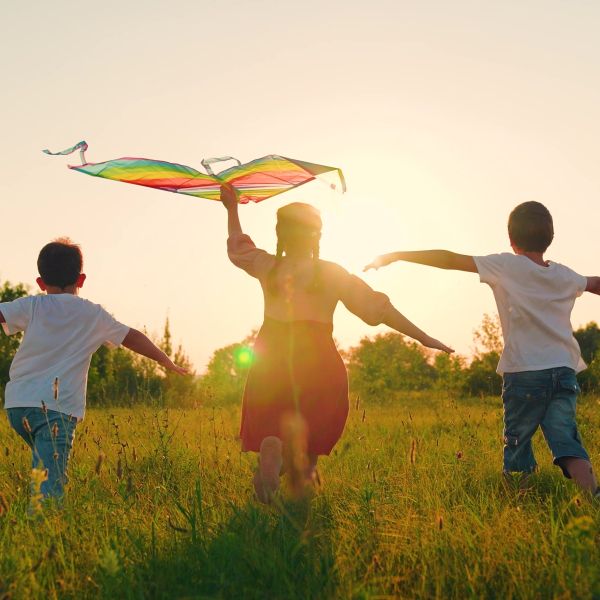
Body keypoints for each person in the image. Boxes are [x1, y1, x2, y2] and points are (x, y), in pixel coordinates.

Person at [221, 185, 453, 502]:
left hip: (272, 355)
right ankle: (299, 494)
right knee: (311, 438)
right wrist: (423, 336)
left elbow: (238, 247)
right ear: (317, 236)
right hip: (317, 360)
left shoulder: (269, 267)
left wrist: (232, 209)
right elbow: (378, 309)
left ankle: (271, 452)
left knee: (271, 423)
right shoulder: (332, 273)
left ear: (281, 235)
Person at [365, 201, 599, 498]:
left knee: (518, 443)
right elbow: (595, 283)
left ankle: (519, 506)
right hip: (564, 372)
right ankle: (592, 499)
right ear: (550, 238)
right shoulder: (565, 275)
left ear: (512, 240)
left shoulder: (506, 265)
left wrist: (397, 255)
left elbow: (450, 259)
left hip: (524, 372)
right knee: (567, 441)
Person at [0, 238, 187, 501]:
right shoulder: (92, 314)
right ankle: (44, 526)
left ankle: (36, 518)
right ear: (82, 279)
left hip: (18, 406)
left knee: (44, 465)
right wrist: (164, 359)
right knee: (50, 485)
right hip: (56, 410)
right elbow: (132, 337)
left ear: (41, 282)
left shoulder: (31, 305)